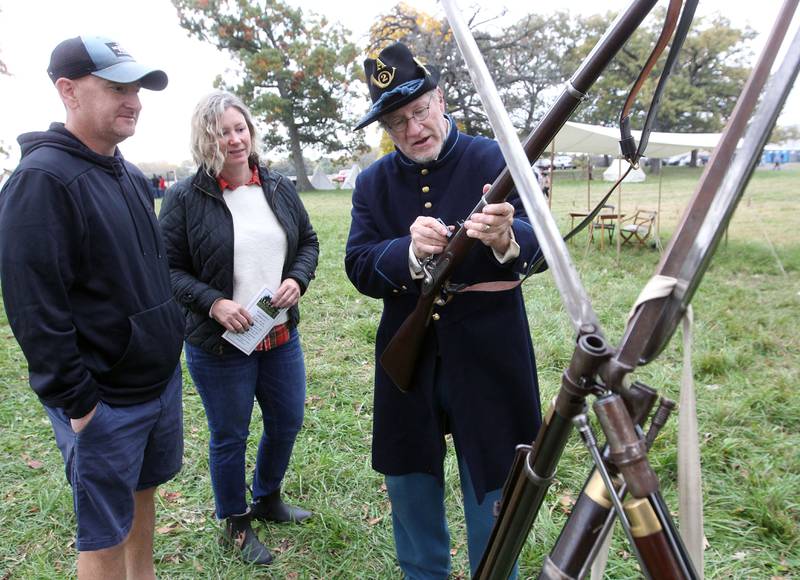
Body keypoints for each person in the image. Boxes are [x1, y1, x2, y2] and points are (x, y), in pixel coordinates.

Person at [345, 42, 544, 578]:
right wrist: (407, 253)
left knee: (496, 490)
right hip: (409, 357)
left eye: (419, 111)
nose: (413, 129)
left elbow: (544, 246)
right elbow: (359, 265)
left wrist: (507, 238)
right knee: (410, 486)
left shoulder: (496, 160)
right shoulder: (372, 182)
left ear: (440, 98)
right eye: (396, 121)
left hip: (490, 351)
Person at [0, 36, 184, 579]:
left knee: (142, 497)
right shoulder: (42, 182)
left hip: (156, 385)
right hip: (104, 403)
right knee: (102, 535)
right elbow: (35, 311)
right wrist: (81, 406)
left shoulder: (125, 172)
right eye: (116, 88)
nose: (135, 100)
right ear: (68, 90)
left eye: (137, 89)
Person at [159, 90, 319, 565]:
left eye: (240, 128)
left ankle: (267, 497)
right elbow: (167, 268)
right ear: (205, 139)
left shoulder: (277, 185)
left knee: (287, 419)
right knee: (229, 434)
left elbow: (307, 241)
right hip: (219, 343)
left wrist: (297, 278)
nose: (234, 139)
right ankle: (235, 521)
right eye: (222, 131)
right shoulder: (185, 197)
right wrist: (213, 303)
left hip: (278, 333)